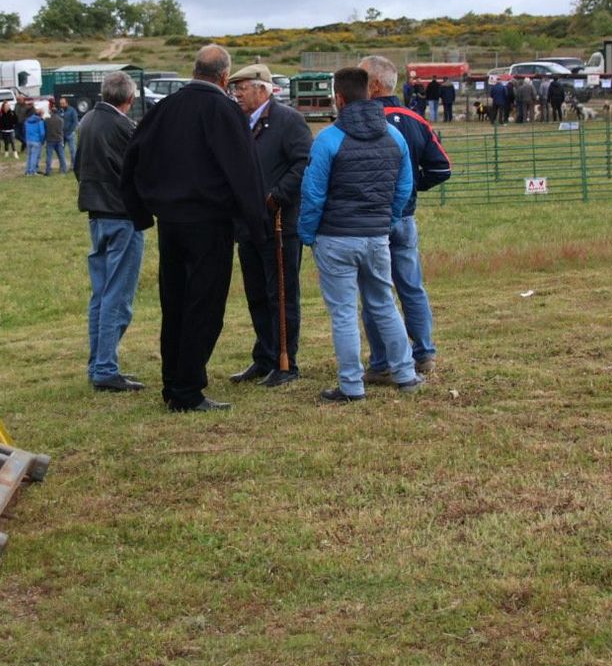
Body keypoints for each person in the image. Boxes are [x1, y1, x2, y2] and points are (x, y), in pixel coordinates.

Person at [120, 44, 265, 413]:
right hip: (208, 224)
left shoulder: (163, 109)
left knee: (176, 304)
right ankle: (187, 390)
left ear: (194, 70)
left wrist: (140, 213)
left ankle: (174, 383)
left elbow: (131, 161)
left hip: (171, 224)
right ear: (223, 77)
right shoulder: (223, 110)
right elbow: (244, 170)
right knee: (204, 306)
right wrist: (256, 226)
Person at [299, 67, 420, 403]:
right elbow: (405, 187)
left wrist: (308, 234)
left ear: (338, 98)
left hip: (335, 237)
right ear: (370, 93)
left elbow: (313, 193)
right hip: (376, 235)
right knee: (384, 302)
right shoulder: (395, 137)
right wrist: (389, 219)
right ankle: (406, 373)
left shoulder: (328, 139)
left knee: (343, 313)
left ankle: (351, 385)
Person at [358, 55, 451, 383]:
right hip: (406, 217)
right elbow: (441, 168)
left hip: (372, 219)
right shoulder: (416, 120)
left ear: (372, 86)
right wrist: (411, 186)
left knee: (374, 290)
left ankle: (382, 361)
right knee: (411, 285)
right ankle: (424, 352)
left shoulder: (362, 121)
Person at [225, 63, 312, 389]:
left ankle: (286, 362)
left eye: (242, 88)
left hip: (280, 224)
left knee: (281, 294)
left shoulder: (288, 121)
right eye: (234, 88)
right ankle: (265, 357)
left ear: (262, 89)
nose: (236, 94)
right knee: (257, 294)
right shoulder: (239, 123)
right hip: (247, 224)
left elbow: (304, 162)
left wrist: (277, 196)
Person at [74, 71, 148, 393]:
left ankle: (98, 364)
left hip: (97, 214)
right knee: (118, 296)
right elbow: (142, 170)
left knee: (102, 295)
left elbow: (78, 166)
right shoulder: (124, 126)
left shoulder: (87, 121)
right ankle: (105, 368)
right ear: (129, 100)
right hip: (122, 216)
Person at [22, 104, 46, 175]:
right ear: (40, 114)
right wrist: (42, 141)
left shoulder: (27, 121)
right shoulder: (39, 121)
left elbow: (25, 131)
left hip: (29, 140)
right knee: (34, 157)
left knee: (29, 156)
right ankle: (33, 171)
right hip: (36, 140)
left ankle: (27, 170)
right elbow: (42, 133)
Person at [43, 106, 67, 175]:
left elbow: (45, 129)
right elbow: (62, 130)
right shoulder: (61, 120)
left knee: (49, 156)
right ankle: (63, 170)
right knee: (61, 156)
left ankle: (48, 171)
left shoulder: (47, 120)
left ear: (51, 112)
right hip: (59, 140)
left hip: (50, 140)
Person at [58, 96, 80, 164]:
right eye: (61, 103)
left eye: (63, 103)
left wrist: (70, 131)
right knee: (61, 150)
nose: (62, 105)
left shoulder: (72, 110)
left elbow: (75, 122)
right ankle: (63, 166)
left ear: (67, 103)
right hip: (61, 134)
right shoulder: (59, 111)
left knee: (72, 150)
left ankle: (73, 165)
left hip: (70, 134)